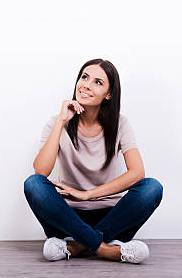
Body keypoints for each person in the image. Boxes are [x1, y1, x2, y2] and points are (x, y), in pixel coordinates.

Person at [23, 59, 163, 264]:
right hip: (67, 217)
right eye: (84, 77)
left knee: (152, 187)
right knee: (33, 184)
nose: (86, 85)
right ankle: (106, 249)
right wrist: (61, 122)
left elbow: (137, 173)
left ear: (109, 94)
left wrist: (87, 194)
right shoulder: (57, 122)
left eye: (98, 82)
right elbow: (41, 171)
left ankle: (76, 247)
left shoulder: (121, 124)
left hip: (111, 217)